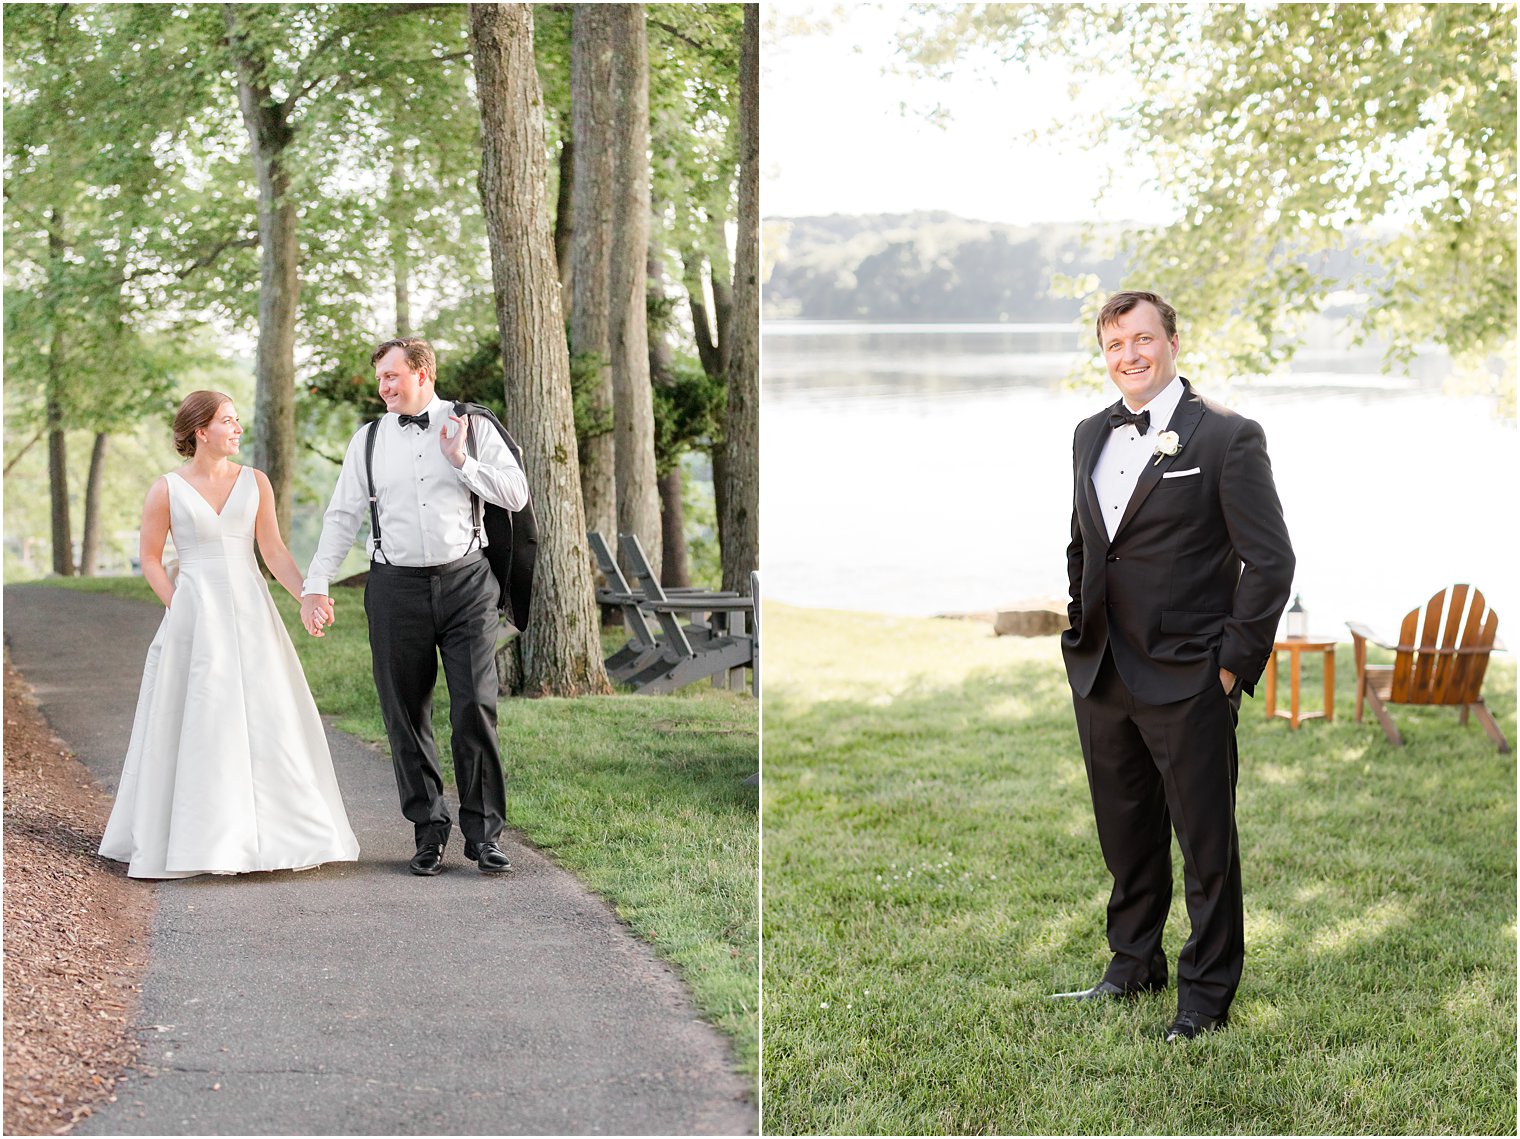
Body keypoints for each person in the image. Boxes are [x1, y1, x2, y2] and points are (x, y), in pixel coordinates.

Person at [1054, 291, 1294, 1041]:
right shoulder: (1089, 432)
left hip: (1190, 675)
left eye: (1142, 338)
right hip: (1102, 674)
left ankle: (1206, 997)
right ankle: (1131, 965)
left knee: (1206, 847)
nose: (1129, 354)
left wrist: (1229, 667)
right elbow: (1084, 545)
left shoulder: (1227, 435)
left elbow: (1271, 560)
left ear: (1174, 342)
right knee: (1124, 834)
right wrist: (1076, 628)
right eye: (1115, 342)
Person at [99, 392, 360, 879]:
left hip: (250, 610)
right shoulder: (166, 490)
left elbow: (274, 550)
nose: (238, 430)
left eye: (238, 421)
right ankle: (201, 838)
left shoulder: (255, 482)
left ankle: (280, 834)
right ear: (201, 431)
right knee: (203, 717)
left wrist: (309, 595)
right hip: (194, 615)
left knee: (268, 715)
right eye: (228, 422)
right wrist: (179, 606)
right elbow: (152, 559)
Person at [299, 337, 528, 876]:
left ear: (422, 373)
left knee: (474, 706)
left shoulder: (473, 425)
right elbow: (342, 516)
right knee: (404, 713)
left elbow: (516, 494)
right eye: (380, 378)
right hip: (394, 588)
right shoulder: (370, 439)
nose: (383, 388)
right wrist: (317, 584)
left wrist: (462, 461)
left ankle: (485, 835)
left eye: (391, 377)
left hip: (467, 584)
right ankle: (428, 831)